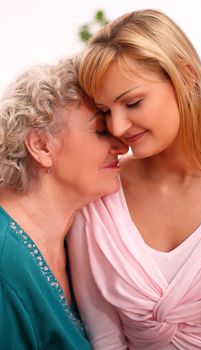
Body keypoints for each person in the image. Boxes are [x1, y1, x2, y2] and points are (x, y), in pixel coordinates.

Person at [68, 8, 201, 350]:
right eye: (105, 111)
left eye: (133, 102)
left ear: (185, 78)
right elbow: (103, 336)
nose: (117, 127)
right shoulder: (100, 197)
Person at [0, 57, 128, 350]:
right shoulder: (4, 264)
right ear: (42, 147)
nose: (122, 145)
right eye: (101, 130)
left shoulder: (83, 229)